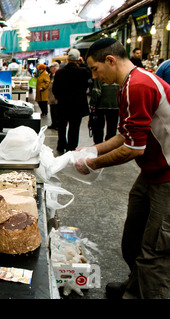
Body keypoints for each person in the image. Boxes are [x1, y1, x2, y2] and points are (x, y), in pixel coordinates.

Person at [76, 37, 170, 299]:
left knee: (155, 252)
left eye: (95, 69)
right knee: (133, 240)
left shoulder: (138, 85)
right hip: (151, 173)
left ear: (110, 60)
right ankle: (135, 287)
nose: (94, 76)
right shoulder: (126, 85)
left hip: (167, 177)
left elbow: (133, 148)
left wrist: (92, 164)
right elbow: (123, 135)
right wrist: (90, 150)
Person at [52, 48, 91, 153]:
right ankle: (71, 146)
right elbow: (90, 74)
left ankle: (61, 145)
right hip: (77, 105)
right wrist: (83, 64)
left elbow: (54, 89)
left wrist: (59, 97)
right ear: (78, 59)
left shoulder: (60, 72)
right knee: (74, 127)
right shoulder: (82, 71)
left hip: (63, 104)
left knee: (62, 126)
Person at [89, 78, 119, 144]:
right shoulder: (117, 75)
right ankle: (109, 144)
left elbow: (97, 91)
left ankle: (98, 144)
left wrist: (93, 103)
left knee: (98, 127)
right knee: (112, 127)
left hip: (100, 106)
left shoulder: (100, 75)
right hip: (115, 105)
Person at [48, 62, 59, 129]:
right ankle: (54, 124)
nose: (50, 69)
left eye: (51, 68)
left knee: (56, 112)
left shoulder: (58, 76)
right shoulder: (52, 75)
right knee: (52, 111)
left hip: (55, 98)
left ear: (54, 68)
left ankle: (57, 124)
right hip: (52, 97)